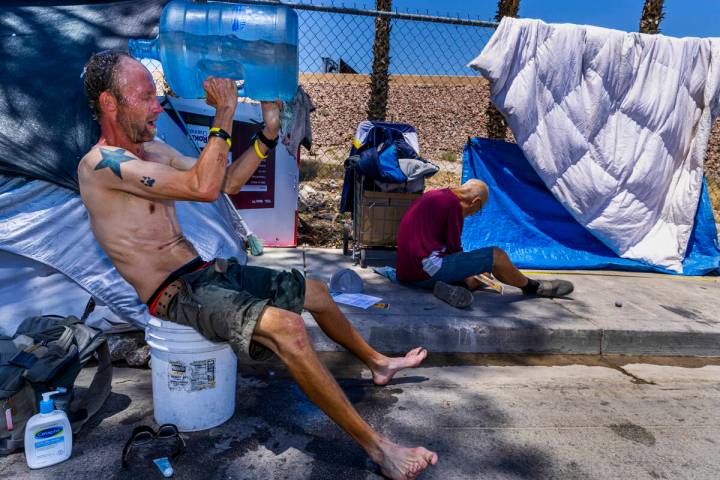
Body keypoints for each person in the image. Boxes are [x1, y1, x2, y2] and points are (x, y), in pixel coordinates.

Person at [78, 50, 437, 479]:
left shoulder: (151, 148)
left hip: (203, 272)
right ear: (110, 104)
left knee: (317, 291)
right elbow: (204, 187)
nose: (157, 105)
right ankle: (380, 450)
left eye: (157, 95)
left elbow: (225, 182)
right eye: (146, 96)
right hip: (172, 293)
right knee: (288, 327)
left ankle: (377, 362)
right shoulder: (101, 165)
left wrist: (267, 135)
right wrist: (225, 111)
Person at [396, 179, 574, 308]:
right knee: (496, 255)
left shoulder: (436, 195)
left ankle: (458, 287)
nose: (474, 214)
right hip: (425, 270)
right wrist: (473, 267)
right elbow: (455, 250)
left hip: (407, 273)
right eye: (478, 210)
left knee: (481, 276)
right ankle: (533, 287)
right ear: (476, 202)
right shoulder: (453, 206)